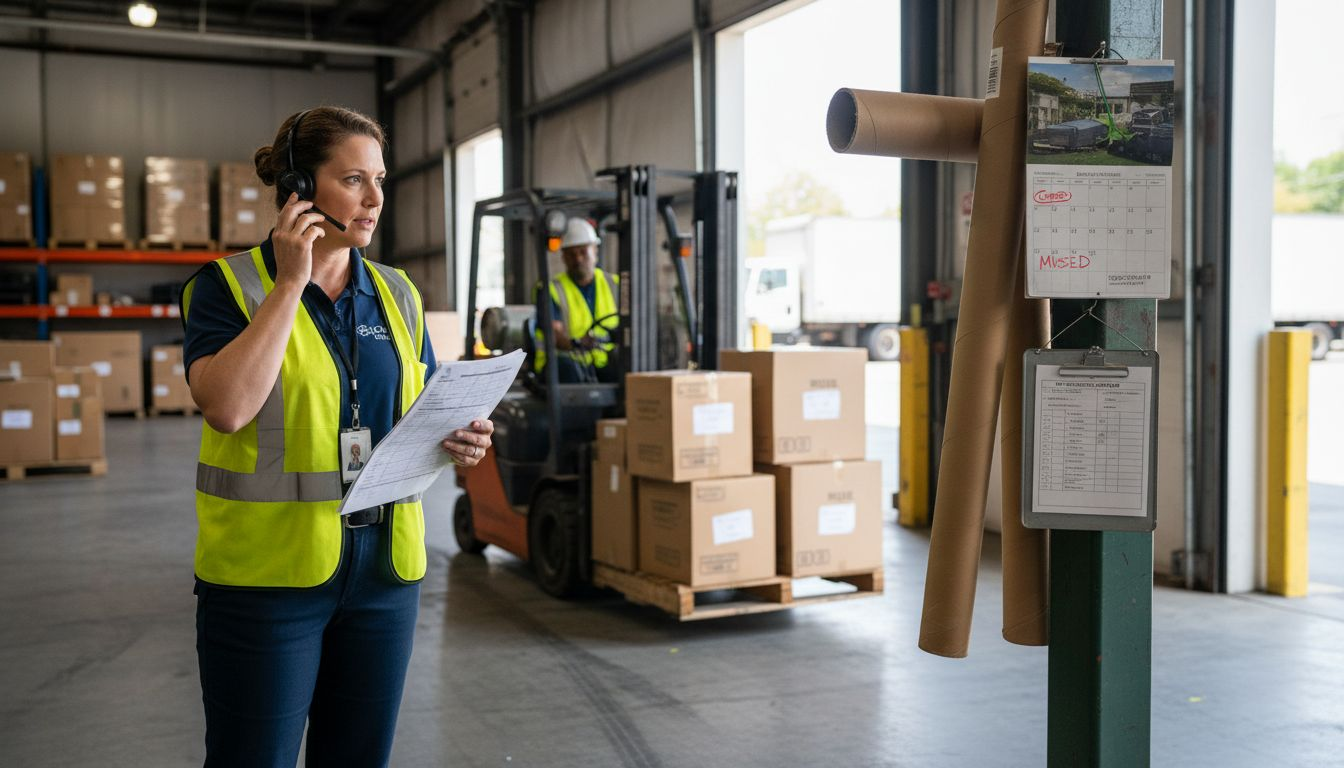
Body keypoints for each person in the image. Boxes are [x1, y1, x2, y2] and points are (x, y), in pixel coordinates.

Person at [179, 106, 494, 767]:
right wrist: (291, 282)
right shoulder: (228, 287)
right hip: (269, 583)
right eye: (354, 179)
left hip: (385, 578)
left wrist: (456, 438)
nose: (376, 199)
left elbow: (419, 416)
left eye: (380, 179)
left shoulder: (398, 294)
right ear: (298, 188)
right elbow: (227, 408)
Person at [533, 218, 621, 383]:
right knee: (569, 370)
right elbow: (555, 334)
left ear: (595, 250)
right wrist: (577, 343)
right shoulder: (549, 289)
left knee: (628, 364)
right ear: (563, 257)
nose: (578, 259)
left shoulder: (616, 284)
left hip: (601, 361)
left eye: (583, 251)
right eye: (571, 254)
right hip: (565, 361)